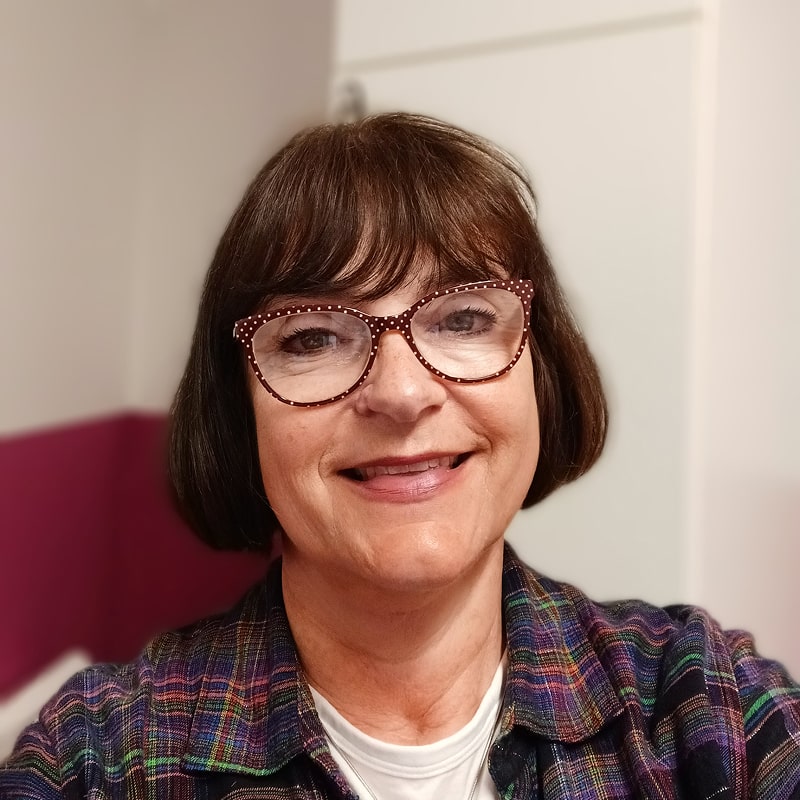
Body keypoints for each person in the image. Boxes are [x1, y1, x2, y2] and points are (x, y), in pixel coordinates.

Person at [2, 113, 799, 799]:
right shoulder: (100, 757)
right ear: (238, 413)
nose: (403, 393)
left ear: (541, 367)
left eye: (462, 319)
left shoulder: (709, 706)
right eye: (313, 337)